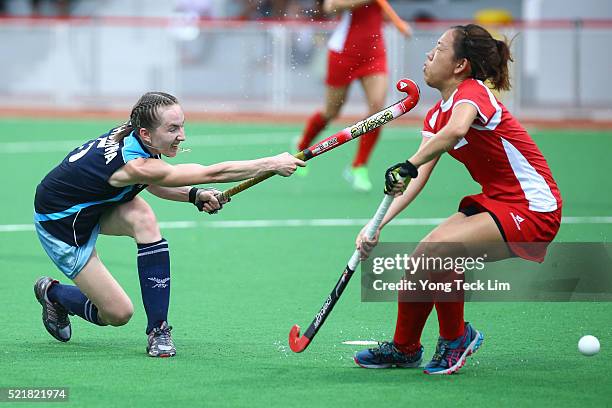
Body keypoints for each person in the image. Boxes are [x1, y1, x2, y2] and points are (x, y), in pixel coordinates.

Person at [353, 24, 562, 374]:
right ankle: (405, 348)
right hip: (497, 200)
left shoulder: (472, 93)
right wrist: (374, 225)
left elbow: (458, 130)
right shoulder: (436, 115)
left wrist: (408, 164)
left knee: (443, 250)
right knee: (422, 257)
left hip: (533, 207)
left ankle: (456, 338)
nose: (429, 54)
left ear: (460, 65)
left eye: (438, 48)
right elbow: (415, 180)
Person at [33, 92, 305, 357]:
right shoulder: (134, 163)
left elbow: (154, 182)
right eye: (173, 128)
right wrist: (271, 163)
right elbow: (211, 173)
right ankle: (53, 293)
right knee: (117, 314)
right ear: (146, 134)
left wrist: (193, 195)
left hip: (95, 204)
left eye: (182, 125)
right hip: (62, 223)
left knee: (144, 219)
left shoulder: (137, 136)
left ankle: (158, 330)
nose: (182, 136)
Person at [295, 0, 411, 192]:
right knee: (331, 112)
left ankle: (359, 165)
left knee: (378, 110)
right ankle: (302, 146)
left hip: (374, 53)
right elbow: (329, 7)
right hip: (344, 53)